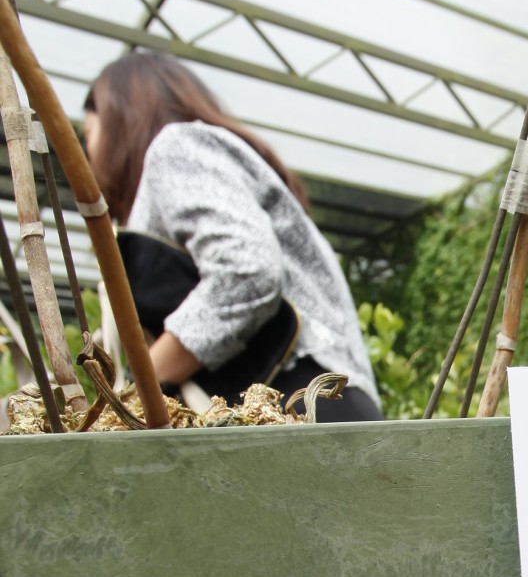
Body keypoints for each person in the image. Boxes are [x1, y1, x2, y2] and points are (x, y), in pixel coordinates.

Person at [82, 56, 382, 420]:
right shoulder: (205, 158)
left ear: (118, 121)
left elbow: (246, 270)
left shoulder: (176, 147)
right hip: (325, 402)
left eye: (89, 134)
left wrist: (142, 382)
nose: (88, 153)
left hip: (295, 400)